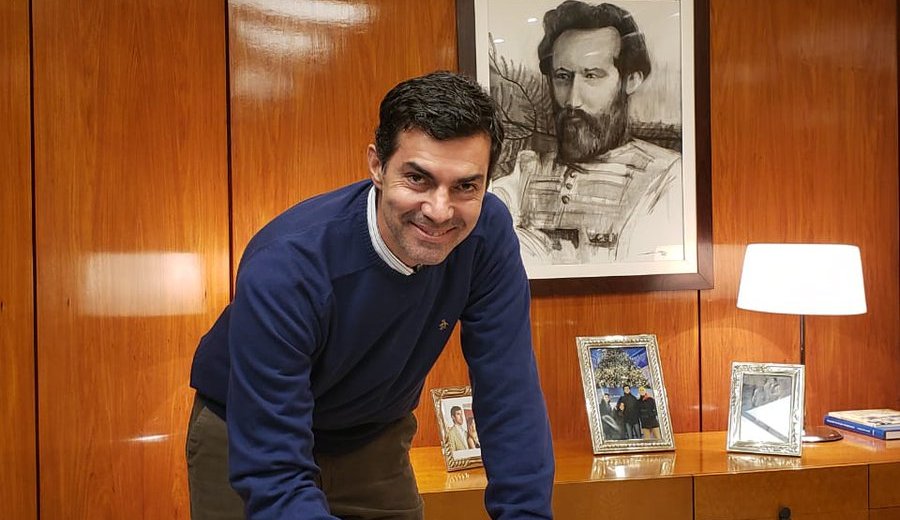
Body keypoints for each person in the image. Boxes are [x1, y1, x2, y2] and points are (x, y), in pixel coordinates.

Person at [185, 71, 554, 520]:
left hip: (372, 436)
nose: (440, 211)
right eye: (417, 178)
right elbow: (275, 474)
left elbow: (509, 392)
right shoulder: (286, 266)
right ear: (377, 166)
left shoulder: (486, 234)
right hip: (248, 430)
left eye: (465, 186)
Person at [492, 0, 684, 264]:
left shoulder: (667, 177)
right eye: (562, 76)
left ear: (631, 80)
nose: (572, 101)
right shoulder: (525, 171)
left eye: (592, 76)